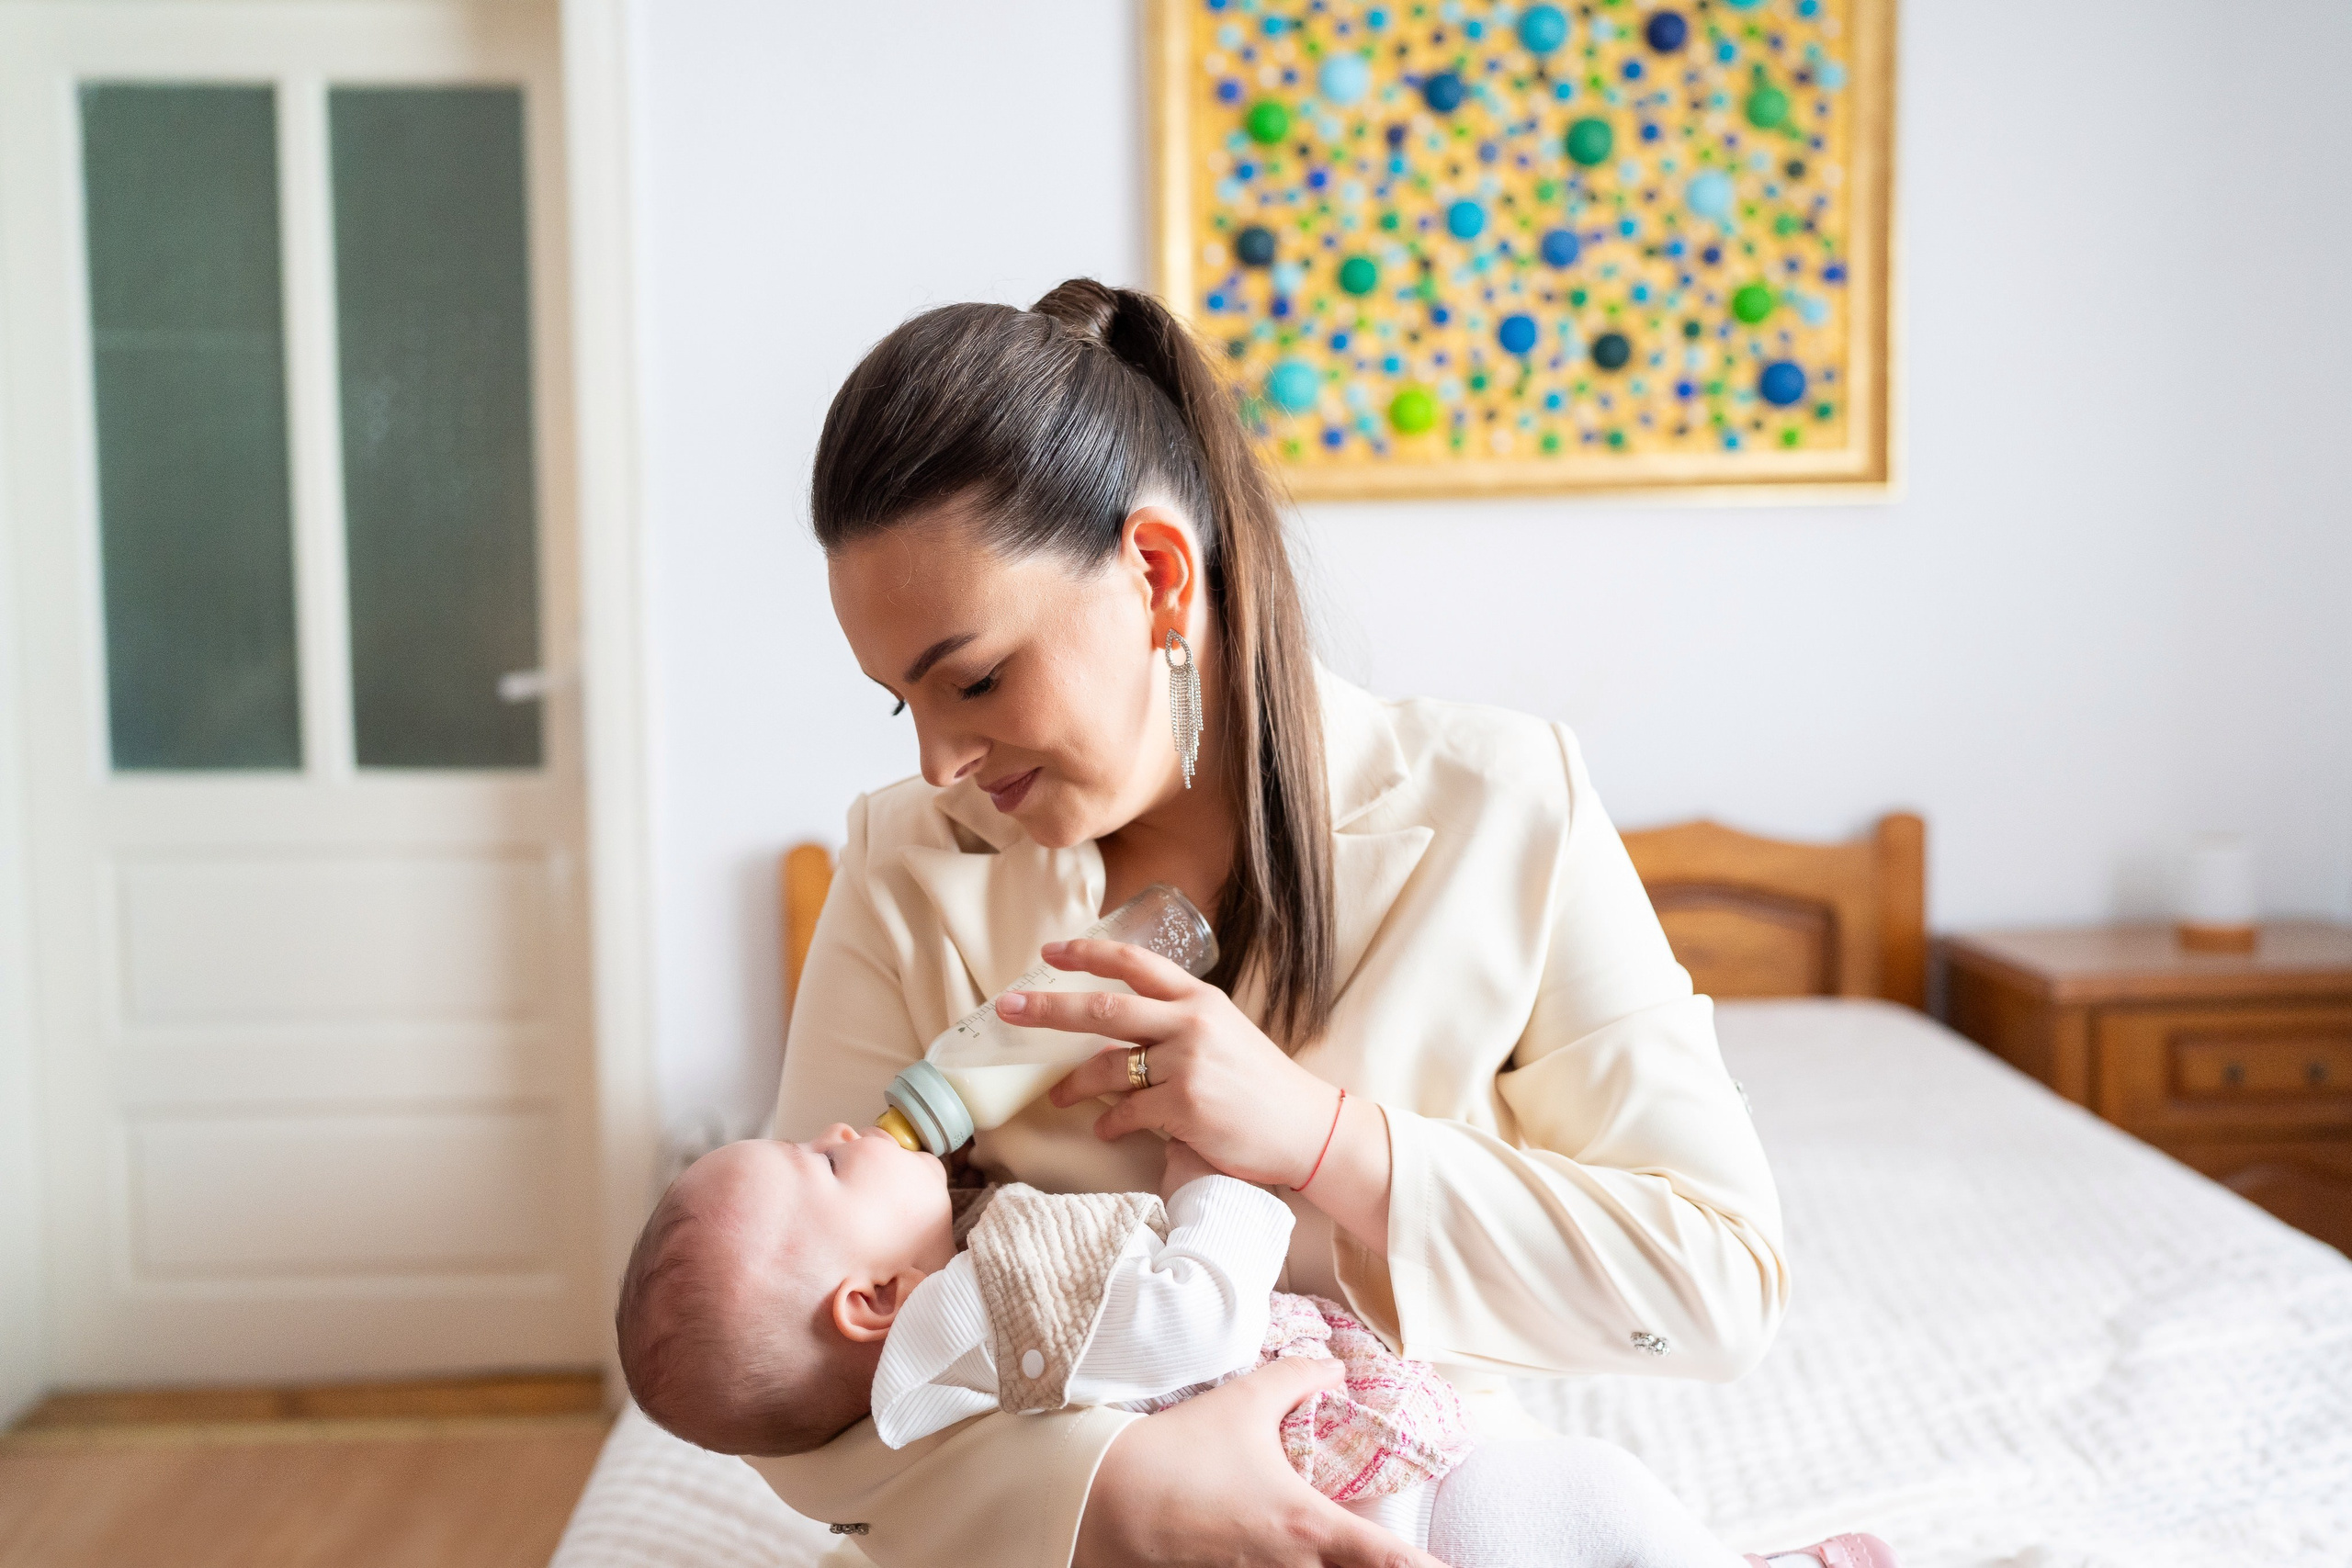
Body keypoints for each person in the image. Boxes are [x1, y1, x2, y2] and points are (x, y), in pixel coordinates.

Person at [750, 277, 1804, 1568]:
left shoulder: (1509, 810)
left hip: (1410, 1518)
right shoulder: (906, 867)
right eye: (898, 703)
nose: (937, 764)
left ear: (1155, 573)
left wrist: (1323, 1141)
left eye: (974, 679)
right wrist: (1121, 1496)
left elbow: (1718, 1288)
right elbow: (780, 1348)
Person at [615, 1125, 1888, 1567]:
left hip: (1333, 1492)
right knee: (1596, 1495)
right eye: (826, 1160)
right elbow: (1187, 1317)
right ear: (874, 1300)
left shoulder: (907, 1389)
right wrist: (1220, 1185)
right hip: (1383, 1503)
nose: (846, 1127)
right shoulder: (985, 1296)